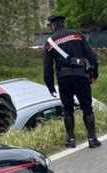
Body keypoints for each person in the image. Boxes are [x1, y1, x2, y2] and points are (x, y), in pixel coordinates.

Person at [43, 15, 101, 149]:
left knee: (68, 110)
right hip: (81, 76)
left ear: (52, 25)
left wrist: (50, 86)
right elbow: (91, 56)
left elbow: (47, 67)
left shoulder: (49, 42)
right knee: (87, 107)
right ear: (63, 23)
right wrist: (94, 72)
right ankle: (92, 139)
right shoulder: (77, 35)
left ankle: (71, 139)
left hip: (64, 79)